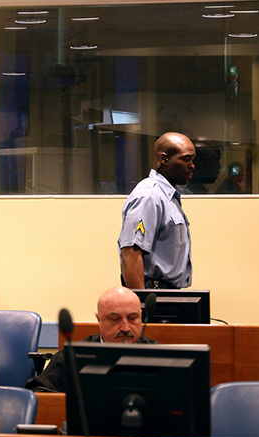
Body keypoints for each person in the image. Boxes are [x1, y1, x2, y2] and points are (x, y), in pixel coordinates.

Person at [25, 286, 157, 393]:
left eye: (132, 318)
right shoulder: (71, 357)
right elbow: (40, 393)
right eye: (115, 319)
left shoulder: (158, 355)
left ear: (141, 317)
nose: (125, 328)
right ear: (99, 320)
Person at [119, 132, 195, 289]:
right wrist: (141, 301)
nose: (192, 165)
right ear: (164, 159)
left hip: (169, 294)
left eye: (192, 160)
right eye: (186, 159)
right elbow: (130, 253)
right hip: (154, 294)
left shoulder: (168, 197)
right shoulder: (149, 196)